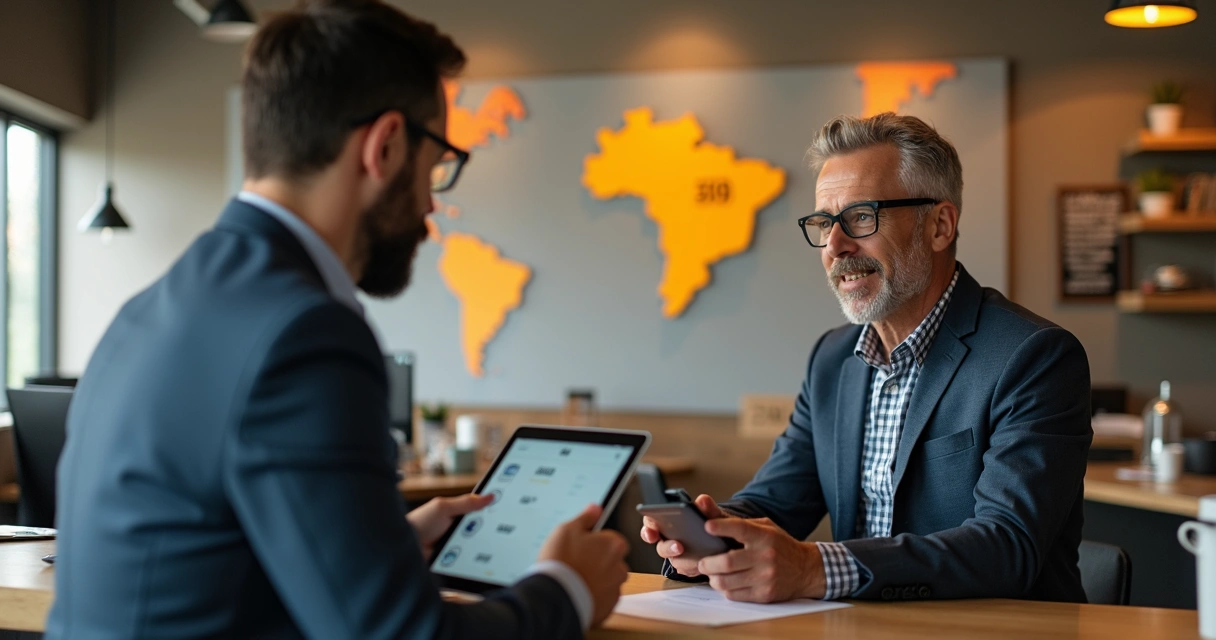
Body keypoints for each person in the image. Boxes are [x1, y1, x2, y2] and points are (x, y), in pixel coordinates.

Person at [48, 1, 628, 638]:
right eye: (436, 167)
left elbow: (206, 567)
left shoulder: (158, 306)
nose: (433, 203)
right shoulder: (304, 334)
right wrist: (567, 588)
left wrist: (383, 545)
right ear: (384, 146)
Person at [642, 113, 1092, 604]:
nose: (835, 246)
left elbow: (1007, 545)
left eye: (861, 217)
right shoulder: (833, 358)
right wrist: (709, 536)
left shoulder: (1034, 357)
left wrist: (813, 568)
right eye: (823, 222)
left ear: (940, 225)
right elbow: (776, 500)